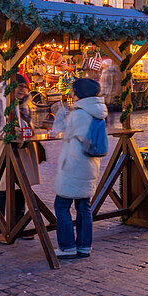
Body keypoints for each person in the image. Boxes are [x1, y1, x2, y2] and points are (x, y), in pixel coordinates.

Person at [52, 78, 106, 259]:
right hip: (89, 165)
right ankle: (84, 246)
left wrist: (59, 114)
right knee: (84, 206)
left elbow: (59, 132)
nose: (71, 94)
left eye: (72, 91)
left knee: (61, 205)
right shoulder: (97, 111)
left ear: (78, 92)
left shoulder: (79, 113)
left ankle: (67, 247)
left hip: (73, 166)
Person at [0, 73, 40, 240]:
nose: (22, 90)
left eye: (24, 87)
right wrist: (9, 132)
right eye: (19, 86)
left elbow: (27, 125)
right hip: (6, 152)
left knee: (22, 188)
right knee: (3, 189)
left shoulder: (24, 105)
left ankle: (19, 226)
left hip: (24, 151)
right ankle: (0, 230)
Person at [99, 58, 121, 123]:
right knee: (105, 106)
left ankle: (109, 121)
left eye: (103, 64)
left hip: (108, 91)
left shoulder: (110, 72)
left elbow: (111, 83)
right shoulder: (104, 71)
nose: (102, 65)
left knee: (109, 106)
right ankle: (107, 120)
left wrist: (111, 92)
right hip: (104, 91)